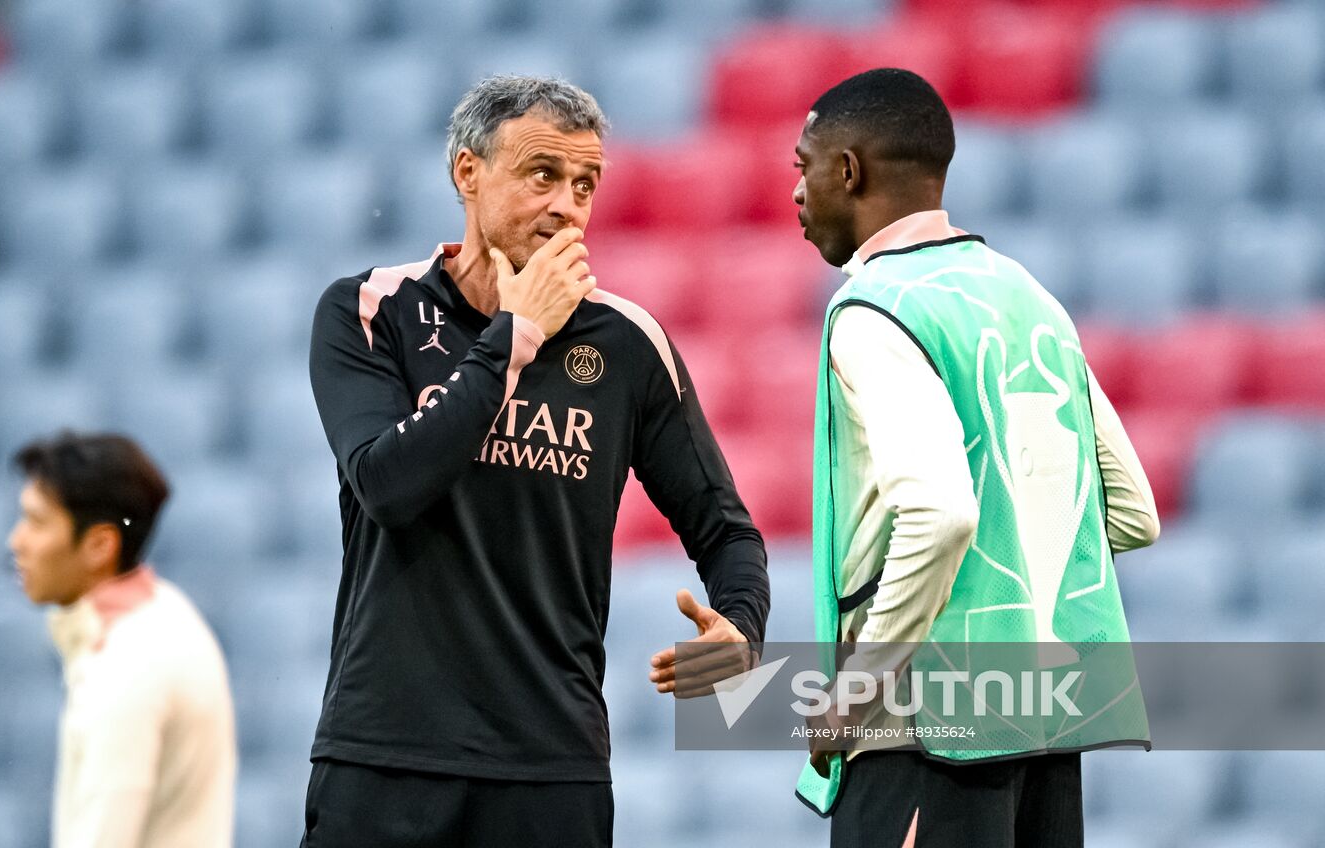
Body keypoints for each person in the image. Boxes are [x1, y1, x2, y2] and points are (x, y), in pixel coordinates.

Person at [301, 74, 770, 847]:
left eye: (586, 184)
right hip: (385, 759)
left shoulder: (628, 345)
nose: (568, 206)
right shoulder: (368, 311)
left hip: (550, 770)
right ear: (467, 172)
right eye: (543, 175)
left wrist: (742, 631)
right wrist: (515, 336)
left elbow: (729, 534)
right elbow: (387, 483)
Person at [789, 69, 1161, 847]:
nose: (796, 190)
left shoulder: (874, 309)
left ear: (848, 170)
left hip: (923, 730)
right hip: (1045, 725)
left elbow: (942, 512)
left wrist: (855, 691)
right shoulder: (1028, 295)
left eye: (804, 165)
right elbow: (1129, 509)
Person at [6, 431, 236, 848]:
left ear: (99, 545)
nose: (16, 541)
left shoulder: (127, 665)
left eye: (37, 522)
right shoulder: (164, 615)